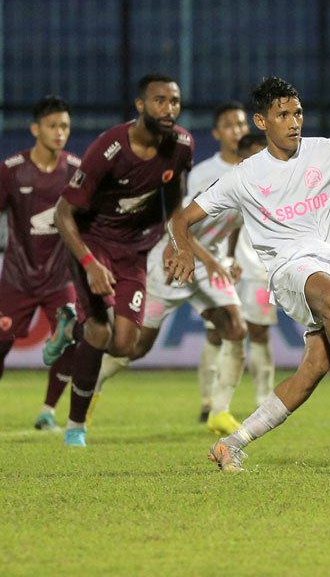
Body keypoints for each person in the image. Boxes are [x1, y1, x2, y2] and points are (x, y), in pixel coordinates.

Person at [164, 76, 330, 473]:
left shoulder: (327, 152)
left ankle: (233, 443)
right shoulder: (245, 176)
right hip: (290, 269)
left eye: (298, 113)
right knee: (327, 296)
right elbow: (183, 218)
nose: (294, 121)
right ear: (261, 122)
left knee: (314, 368)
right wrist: (182, 249)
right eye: (283, 115)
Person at [43, 73, 194, 447]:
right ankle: (76, 427)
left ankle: (68, 328)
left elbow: (175, 197)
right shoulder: (108, 148)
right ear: (140, 106)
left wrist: (178, 242)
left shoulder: (181, 145)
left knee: (126, 344)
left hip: (135, 252)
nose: (169, 108)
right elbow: (63, 214)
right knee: (99, 331)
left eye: (174, 101)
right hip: (93, 245)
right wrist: (91, 263)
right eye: (159, 100)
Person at [90, 101, 250, 436]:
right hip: (174, 259)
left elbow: (235, 224)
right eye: (231, 124)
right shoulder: (207, 173)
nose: (238, 130)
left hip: (208, 266)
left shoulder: (256, 176)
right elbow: (179, 219)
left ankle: (219, 412)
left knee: (235, 328)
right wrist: (207, 259)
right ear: (218, 132)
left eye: (242, 124)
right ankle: (91, 383)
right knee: (135, 347)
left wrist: (229, 260)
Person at [0, 95, 81, 431]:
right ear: (36, 129)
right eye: (52, 126)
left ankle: (48, 411)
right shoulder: (11, 171)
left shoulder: (77, 170)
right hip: (17, 276)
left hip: (60, 278)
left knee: (73, 338)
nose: (59, 132)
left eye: (64, 126)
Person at [231, 132, 277, 407]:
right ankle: (214, 402)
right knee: (222, 333)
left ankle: (264, 398)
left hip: (259, 272)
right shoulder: (229, 185)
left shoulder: (277, 185)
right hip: (229, 271)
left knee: (259, 333)